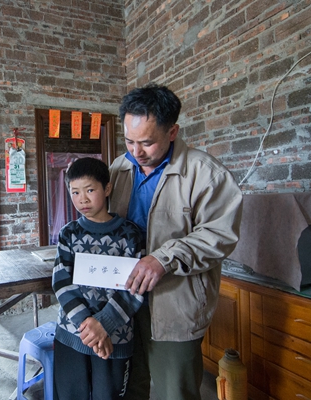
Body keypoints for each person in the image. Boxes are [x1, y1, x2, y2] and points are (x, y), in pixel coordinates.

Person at [107, 84, 243, 400]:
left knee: (175, 392)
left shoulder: (205, 174)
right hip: (123, 300)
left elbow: (220, 235)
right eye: (129, 140)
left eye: (147, 142)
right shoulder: (118, 168)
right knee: (128, 387)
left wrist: (163, 258)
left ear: (172, 132)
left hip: (175, 303)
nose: (136, 151)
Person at [51, 157, 144, 400]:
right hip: (73, 334)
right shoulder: (69, 233)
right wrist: (88, 325)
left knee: (109, 395)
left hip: (115, 336)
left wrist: (104, 323)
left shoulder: (130, 235)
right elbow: (61, 282)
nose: (82, 199)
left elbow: (135, 287)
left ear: (107, 188)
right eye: (75, 192)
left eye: (90, 190)